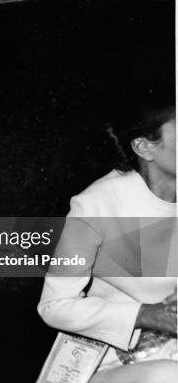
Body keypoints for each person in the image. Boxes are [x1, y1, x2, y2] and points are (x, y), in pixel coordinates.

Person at [37, 90, 177, 383]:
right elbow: (54, 306)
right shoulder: (96, 204)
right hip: (104, 364)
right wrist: (144, 314)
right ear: (144, 147)